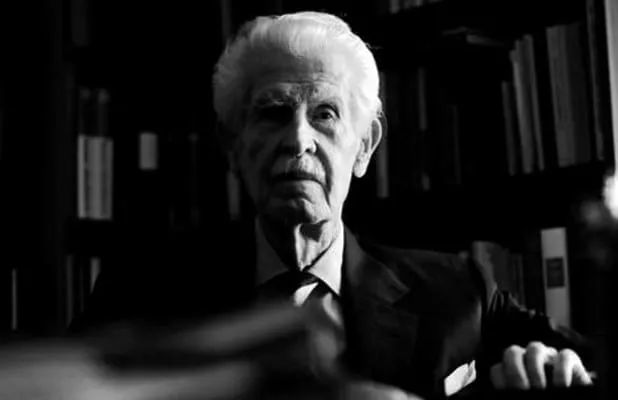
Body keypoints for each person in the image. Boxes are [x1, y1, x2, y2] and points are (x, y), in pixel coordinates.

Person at [73, 10, 595, 399]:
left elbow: (594, 361)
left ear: (364, 146)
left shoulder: (457, 293)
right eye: (273, 112)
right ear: (232, 145)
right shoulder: (140, 294)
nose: (298, 140)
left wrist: (553, 363)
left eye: (324, 114)